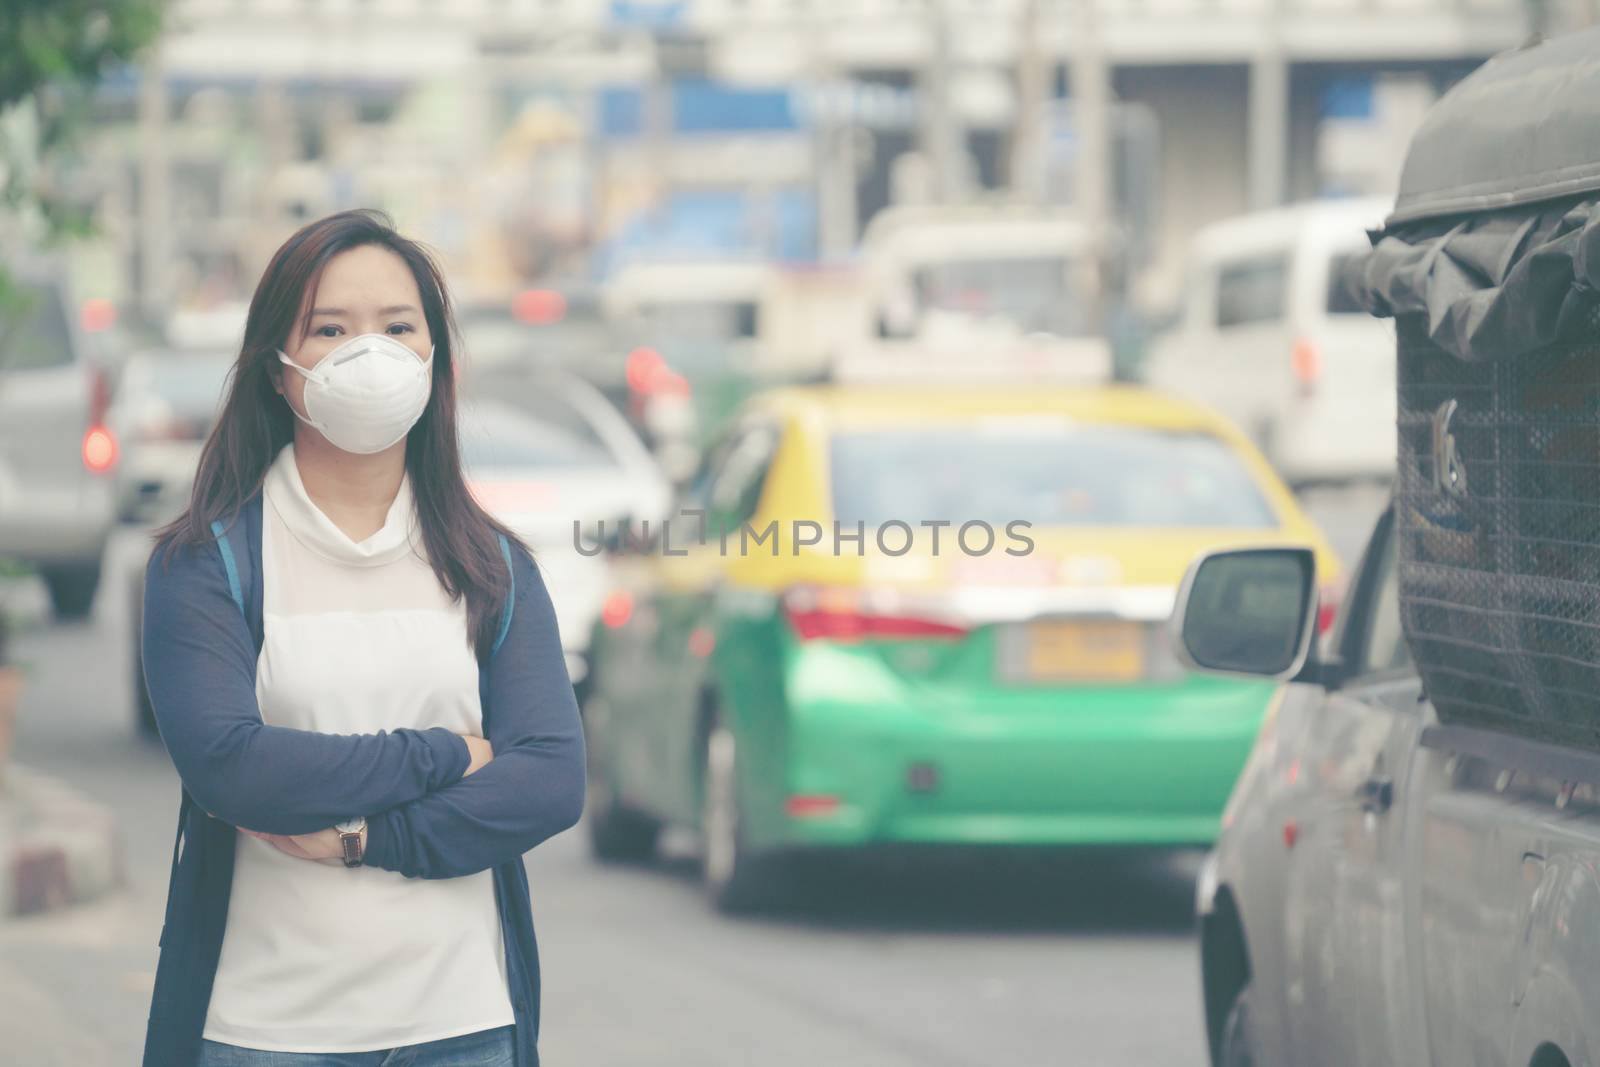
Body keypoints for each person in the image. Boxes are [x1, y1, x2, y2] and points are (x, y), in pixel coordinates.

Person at [139, 209, 586, 1067]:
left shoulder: (492, 567)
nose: (367, 351)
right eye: (332, 328)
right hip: (264, 1033)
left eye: (396, 326)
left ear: (433, 357)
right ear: (278, 366)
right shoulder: (206, 566)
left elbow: (551, 782)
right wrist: (449, 753)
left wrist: (362, 839)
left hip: (462, 1026)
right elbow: (234, 768)